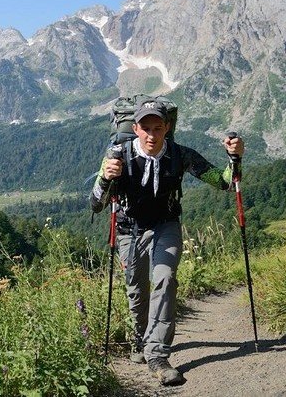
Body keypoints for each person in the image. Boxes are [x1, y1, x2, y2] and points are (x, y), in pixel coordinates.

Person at [90, 97, 244, 386]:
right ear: (135, 128)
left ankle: (158, 356)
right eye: (145, 128)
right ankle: (141, 339)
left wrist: (234, 158)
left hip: (166, 225)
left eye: (157, 128)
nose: (151, 134)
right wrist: (103, 180)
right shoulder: (117, 156)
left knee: (165, 278)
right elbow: (96, 204)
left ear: (167, 127)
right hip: (129, 229)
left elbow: (223, 181)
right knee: (136, 291)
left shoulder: (180, 154)